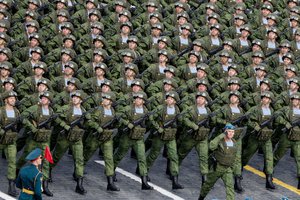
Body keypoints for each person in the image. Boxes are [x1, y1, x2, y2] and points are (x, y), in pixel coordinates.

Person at [198, 123, 237, 200]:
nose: (231, 133)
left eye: (232, 132)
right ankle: (201, 198)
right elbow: (211, 146)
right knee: (208, 185)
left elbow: (234, 156)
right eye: (229, 131)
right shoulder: (220, 140)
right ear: (225, 131)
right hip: (217, 168)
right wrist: (221, 136)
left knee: (230, 189)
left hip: (227, 169)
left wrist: (233, 168)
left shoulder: (234, 142)